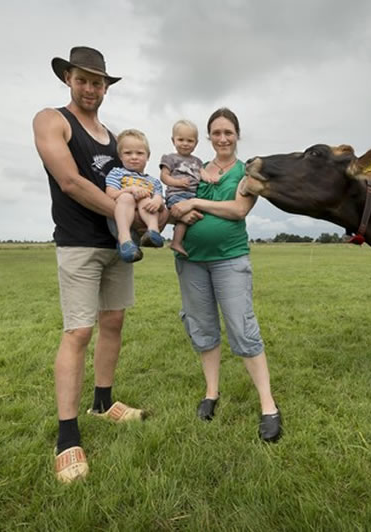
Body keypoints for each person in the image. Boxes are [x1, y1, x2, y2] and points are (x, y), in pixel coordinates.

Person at [32, 46, 149, 484]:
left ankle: (103, 402)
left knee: (113, 321)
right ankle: (67, 436)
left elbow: (128, 184)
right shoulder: (51, 119)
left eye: (97, 82)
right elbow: (69, 181)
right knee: (79, 330)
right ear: (68, 79)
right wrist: (129, 223)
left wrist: (150, 208)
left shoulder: (112, 137)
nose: (90, 88)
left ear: (106, 87)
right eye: (82, 79)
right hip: (80, 243)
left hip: (116, 246)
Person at [170, 107, 282, 443]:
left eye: (228, 132)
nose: (222, 138)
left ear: (237, 135)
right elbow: (176, 202)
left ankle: (268, 406)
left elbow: (238, 210)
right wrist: (180, 210)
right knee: (202, 327)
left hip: (230, 260)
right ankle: (211, 393)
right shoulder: (194, 168)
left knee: (242, 328)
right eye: (216, 133)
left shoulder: (247, 174)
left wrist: (197, 205)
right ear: (208, 137)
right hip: (191, 260)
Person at [105, 128, 165, 262]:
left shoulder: (153, 181)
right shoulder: (117, 173)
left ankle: (153, 233)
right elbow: (110, 194)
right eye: (128, 153)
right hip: (121, 223)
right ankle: (124, 239)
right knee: (126, 197)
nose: (134, 157)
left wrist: (156, 201)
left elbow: (159, 198)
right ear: (120, 156)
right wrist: (130, 189)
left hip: (141, 226)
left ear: (148, 156)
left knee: (148, 199)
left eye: (139, 153)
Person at [159, 120, 218, 257]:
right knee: (182, 217)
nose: (185, 143)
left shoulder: (197, 161)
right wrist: (177, 182)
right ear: (173, 140)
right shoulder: (170, 158)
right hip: (176, 194)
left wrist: (209, 178)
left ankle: (176, 242)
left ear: (196, 143)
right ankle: (167, 238)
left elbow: (202, 172)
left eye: (190, 141)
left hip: (192, 196)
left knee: (188, 219)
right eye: (181, 140)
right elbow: (164, 177)